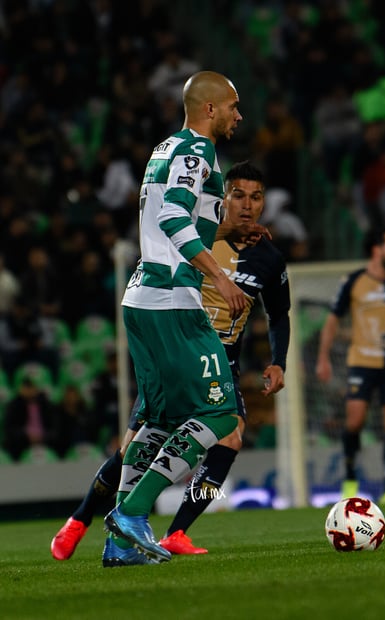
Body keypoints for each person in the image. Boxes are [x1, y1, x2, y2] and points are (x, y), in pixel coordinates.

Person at [50, 160, 291, 565]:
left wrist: (277, 361)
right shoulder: (201, 235)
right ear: (223, 198)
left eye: (255, 197)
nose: (247, 206)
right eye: (238, 196)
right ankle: (79, 519)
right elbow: (169, 230)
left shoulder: (268, 258)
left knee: (231, 436)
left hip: (222, 363)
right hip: (176, 350)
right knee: (132, 449)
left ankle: (176, 530)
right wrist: (227, 232)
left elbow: (279, 314)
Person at [53, 70, 245, 565]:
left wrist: (233, 228)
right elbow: (174, 217)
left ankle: (120, 546)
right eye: (232, 107)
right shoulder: (197, 151)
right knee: (221, 412)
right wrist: (219, 277)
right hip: (173, 300)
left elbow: (187, 214)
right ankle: (132, 512)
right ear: (209, 109)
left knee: (159, 422)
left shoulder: (166, 149)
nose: (238, 116)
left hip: (142, 298)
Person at [316, 228, 385, 505]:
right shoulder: (354, 281)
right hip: (362, 362)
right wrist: (323, 357)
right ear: (377, 249)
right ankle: (349, 480)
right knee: (355, 421)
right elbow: (332, 319)